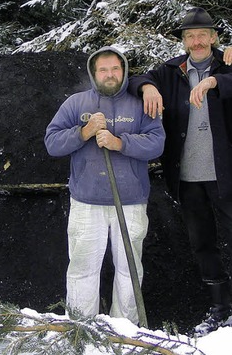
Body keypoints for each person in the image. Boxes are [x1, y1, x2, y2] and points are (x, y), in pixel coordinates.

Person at [127, 7, 232, 336]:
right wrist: (148, 88)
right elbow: (134, 79)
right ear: (184, 42)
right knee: (202, 243)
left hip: (225, 174)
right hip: (187, 177)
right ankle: (220, 307)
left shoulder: (230, 62)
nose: (197, 41)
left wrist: (216, 80)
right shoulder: (171, 70)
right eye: (190, 36)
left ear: (214, 38)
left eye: (203, 35)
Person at [44, 46, 165, 325]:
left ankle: (125, 328)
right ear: (93, 73)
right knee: (83, 270)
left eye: (115, 69)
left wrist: (120, 143)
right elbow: (52, 143)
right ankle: (80, 326)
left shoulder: (140, 104)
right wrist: (84, 132)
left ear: (123, 71)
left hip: (130, 201)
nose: (110, 75)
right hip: (87, 202)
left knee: (129, 271)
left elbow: (157, 143)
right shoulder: (76, 103)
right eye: (103, 70)